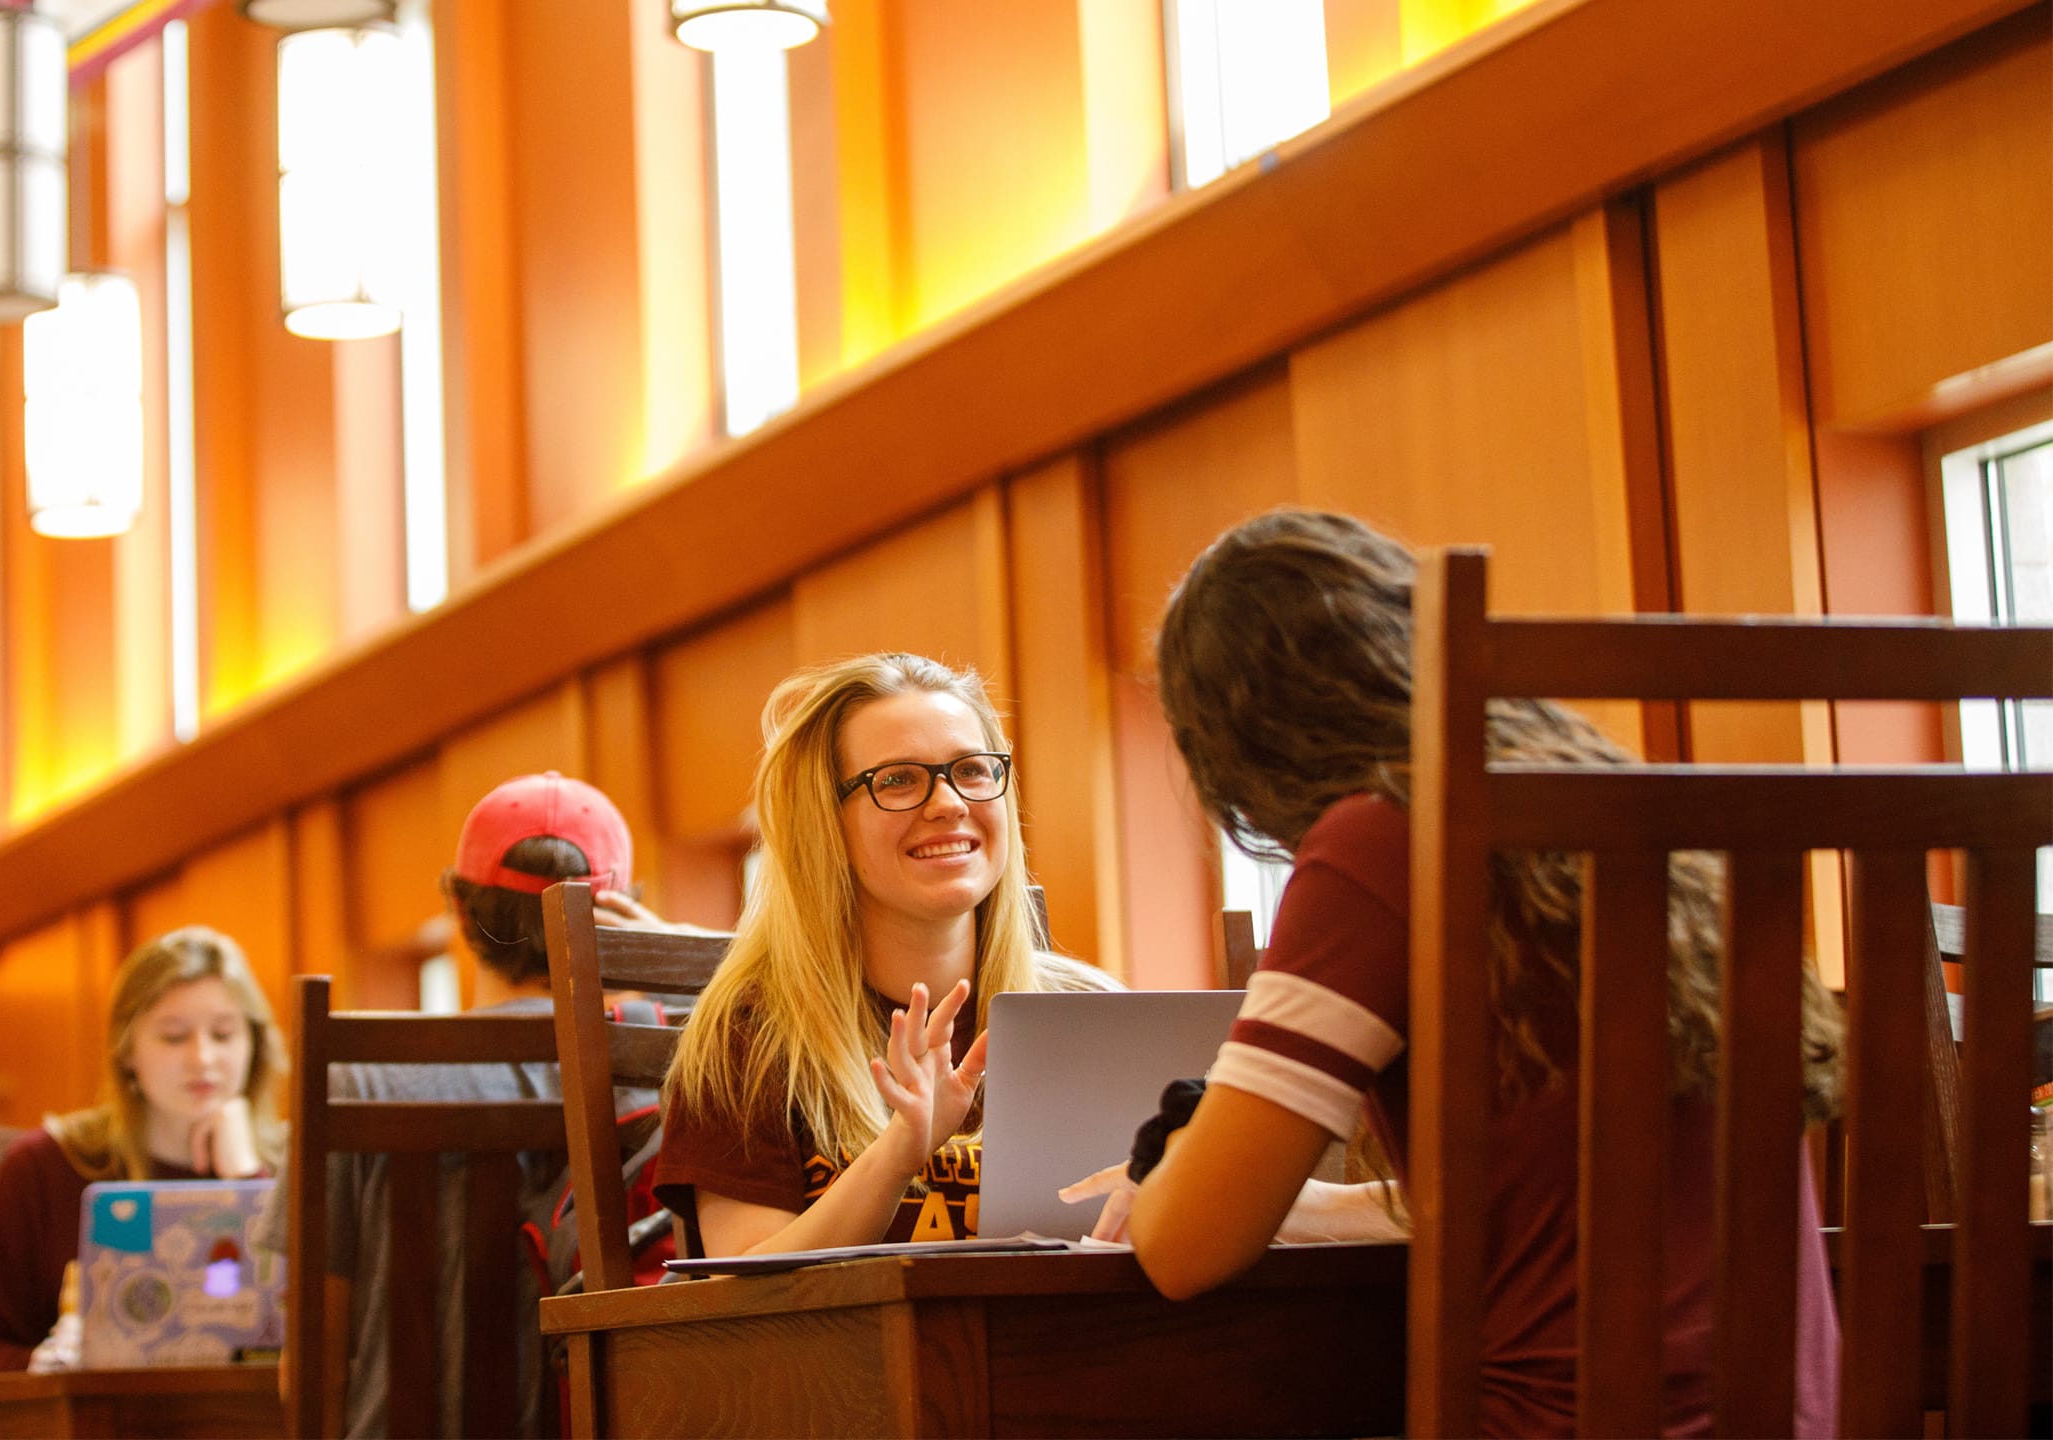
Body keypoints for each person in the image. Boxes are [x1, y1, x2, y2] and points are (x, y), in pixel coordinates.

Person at [1068, 509, 1844, 1436]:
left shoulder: (1380, 838)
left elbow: (1184, 1249)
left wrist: (1181, 1169)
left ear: (1243, 742)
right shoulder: (1617, 814)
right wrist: (1313, 1204)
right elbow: (1538, 1202)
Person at [265, 771, 687, 1439]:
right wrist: (672, 960)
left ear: (460, 911)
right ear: (621, 915)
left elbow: (312, 1360)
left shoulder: (360, 1078)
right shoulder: (676, 1065)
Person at [656, 652, 1116, 1257]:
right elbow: (741, 1288)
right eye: (898, 780)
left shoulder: (1090, 1014)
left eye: (973, 770)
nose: (950, 802)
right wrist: (899, 1155)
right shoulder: (751, 1033)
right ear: (826, 824)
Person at [0, 926, 287, 1375]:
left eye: (223, 1035)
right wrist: (49, 1365)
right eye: (174, 1036)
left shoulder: (293, 1163)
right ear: (127, 1051)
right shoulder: (45, 1166)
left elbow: (316, 1334)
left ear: (254, 1045)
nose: (203, 1058)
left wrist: (247, 1179)